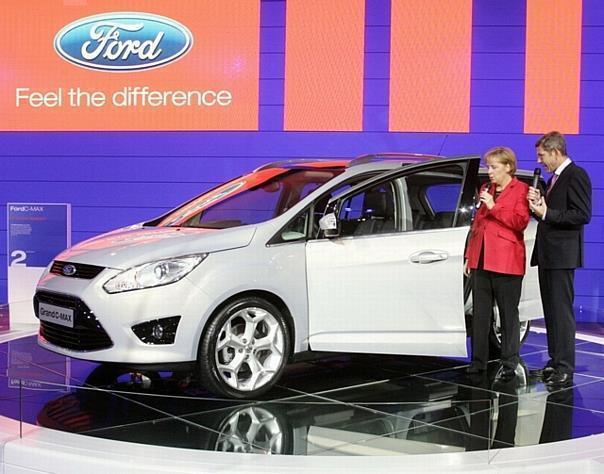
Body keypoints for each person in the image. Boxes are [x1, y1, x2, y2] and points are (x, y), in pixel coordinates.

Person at [527, 131, 592, 388]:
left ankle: (565, 366)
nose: (540, 161)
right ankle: (555, 361)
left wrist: (547, 213)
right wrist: (539, 207)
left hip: (562, 255)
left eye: (542, 155)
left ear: (555, 152)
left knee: (562, 313)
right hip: (547, 254)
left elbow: (581, 215)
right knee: (551, 312)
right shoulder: (554, 178)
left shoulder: (576, 175)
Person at [464, 147, 530, 379]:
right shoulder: (486, 189)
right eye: (488, 166)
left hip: (506, 261)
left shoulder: (521, 190)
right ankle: (478, 361)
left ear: (508, 167)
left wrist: (494, 205)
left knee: (508, 313)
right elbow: (478, 225)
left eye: (494, 167)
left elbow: (519, 222)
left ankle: (510, 361)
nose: (489, 172)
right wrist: (470, 256)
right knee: (481, 314)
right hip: (482, 259)